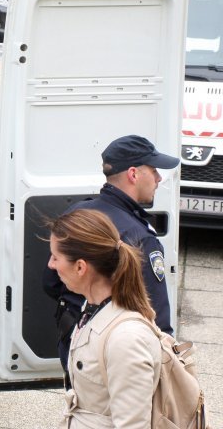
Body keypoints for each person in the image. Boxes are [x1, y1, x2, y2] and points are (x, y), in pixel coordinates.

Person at [44, 134, 178, 370]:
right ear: (134, 174)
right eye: (154, 170)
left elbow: (51, 283)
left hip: (74, 343)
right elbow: (156, 319)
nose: (159, 178)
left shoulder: (78, 213)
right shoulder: (141, 237)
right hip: (117, 357)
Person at [47, 209, 161, 429]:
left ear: (80, 267)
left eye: (55, 257)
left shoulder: (126, 340)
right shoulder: (92, 308)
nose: (51, 265)